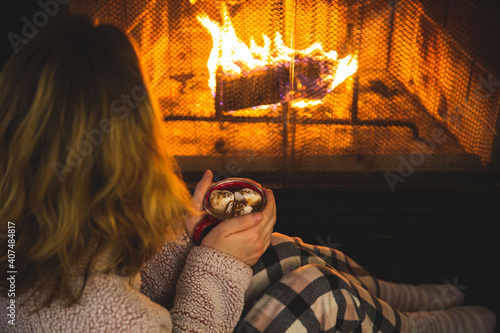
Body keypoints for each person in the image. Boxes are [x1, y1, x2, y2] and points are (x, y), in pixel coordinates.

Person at [0, 15, 496, 333]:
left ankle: (397, 300)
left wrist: (187, 234)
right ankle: (414, 327)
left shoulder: (29, 227)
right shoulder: (117, 320)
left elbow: (118, 271)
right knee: (317, 295)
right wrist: (213, 265)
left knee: (279, 250)